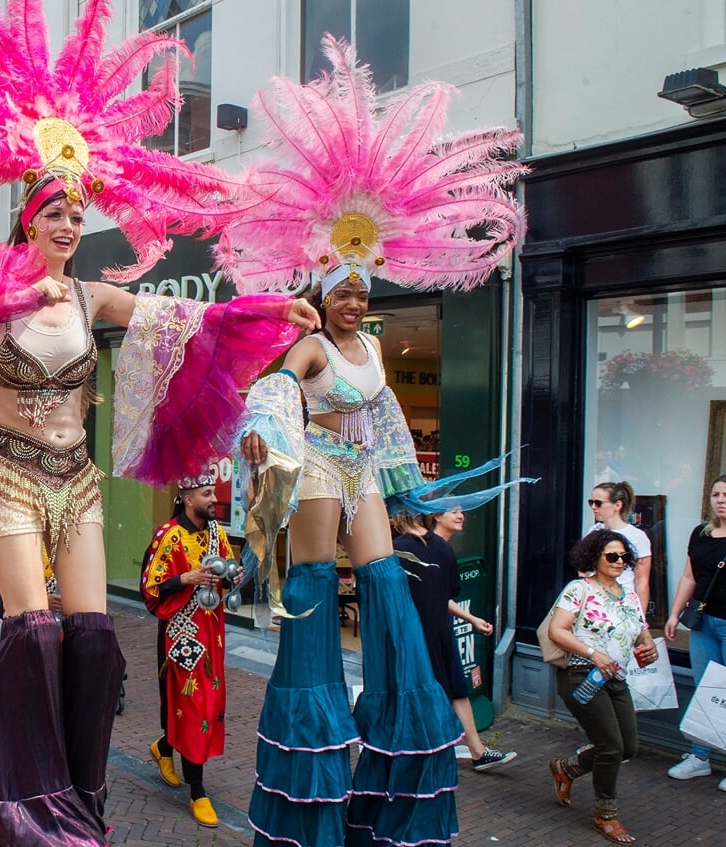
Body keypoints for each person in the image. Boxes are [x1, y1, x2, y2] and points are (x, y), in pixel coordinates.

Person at [0, 9, 319, 845]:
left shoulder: (94, 299)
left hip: (78, 482)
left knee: (90, 638)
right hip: (10, 477)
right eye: (54, 214)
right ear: (28, 216)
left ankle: (79, 800)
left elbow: (188, 319)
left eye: (77, 219)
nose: (67, 227)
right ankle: (27, 810)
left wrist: (271, 309)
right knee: (34, 631)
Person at [222, 37, 527, 847]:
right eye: (342, 291)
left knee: (388, 592)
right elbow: (274, 387)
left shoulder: (370, 349)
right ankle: (311, 773)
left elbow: (385, 417)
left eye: (362, 290)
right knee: (317, 602)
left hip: (362, 475)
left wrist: (397, 476)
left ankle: (399, 751)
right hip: (317, 469)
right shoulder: (316, 345)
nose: (354, 302)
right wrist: (265, 433)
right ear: (322, 292)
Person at [546, 530, 658, 845]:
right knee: (611, 746)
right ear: (595, 556)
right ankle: (605, 814)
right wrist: (593, 652)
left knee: (628, 747)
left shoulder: (630, 596)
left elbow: (641, 633)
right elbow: (557, 630)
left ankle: (567, 769)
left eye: (624, 557)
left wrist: (649, 646)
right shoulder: (579, 589)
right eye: (612, 555)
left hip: (616, 678)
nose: (619, 561)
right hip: (581, 675)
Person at [140, 475, 236, 827]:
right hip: (182, 635)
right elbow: (150, 588)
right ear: (186, 497)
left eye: (213, 493)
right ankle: (198, 790)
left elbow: (225, 567)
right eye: (207, 494)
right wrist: (186, 579)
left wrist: (232, 575)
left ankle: (165, 747)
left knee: (208, 703)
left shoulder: (216, 532)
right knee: (193, 705)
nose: (214, 499)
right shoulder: (169, 535)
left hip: (212, 633)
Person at [392, 509, 517, 771]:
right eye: (454, 510)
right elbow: (446, 594)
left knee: (420, 691)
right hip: (441, 631)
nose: (461, 515)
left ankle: (425, 754)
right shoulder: (442, 548)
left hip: (410, 633)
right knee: (456, 690)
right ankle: (477, 751)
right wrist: (471, 619)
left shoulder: (393, 550)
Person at [664, 473, 726, 787]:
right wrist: (675, 614)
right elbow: (690, 577)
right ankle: (700, 756)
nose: (721, 500)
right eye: (716, 494)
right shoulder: (701, 534)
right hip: (703, 622)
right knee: (706, 689)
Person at [587, 481, 653, 609]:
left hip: (623, 602)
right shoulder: (593, 532)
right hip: (593, 600)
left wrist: (641, 619)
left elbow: (642, 582)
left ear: (617, 505)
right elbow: (584, 570)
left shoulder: (637, 536)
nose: (593, 507)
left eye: (598, 503)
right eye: (591, 502)